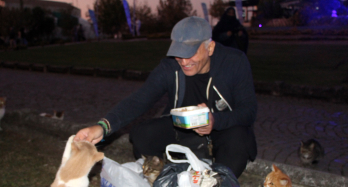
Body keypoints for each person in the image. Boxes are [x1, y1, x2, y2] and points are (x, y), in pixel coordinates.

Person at [74, 16, 257, 178]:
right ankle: (163, 178)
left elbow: (248, 111)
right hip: (183, 130)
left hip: (222, 131)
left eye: (191, 53)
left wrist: (215, 120)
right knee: (141, 134)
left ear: (210, 47)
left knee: (239, 139)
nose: (184, 62)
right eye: (179, 53)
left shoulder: (234, 62)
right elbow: (139, 100)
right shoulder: (169, 67)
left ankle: (216, 183)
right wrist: (102, 127)